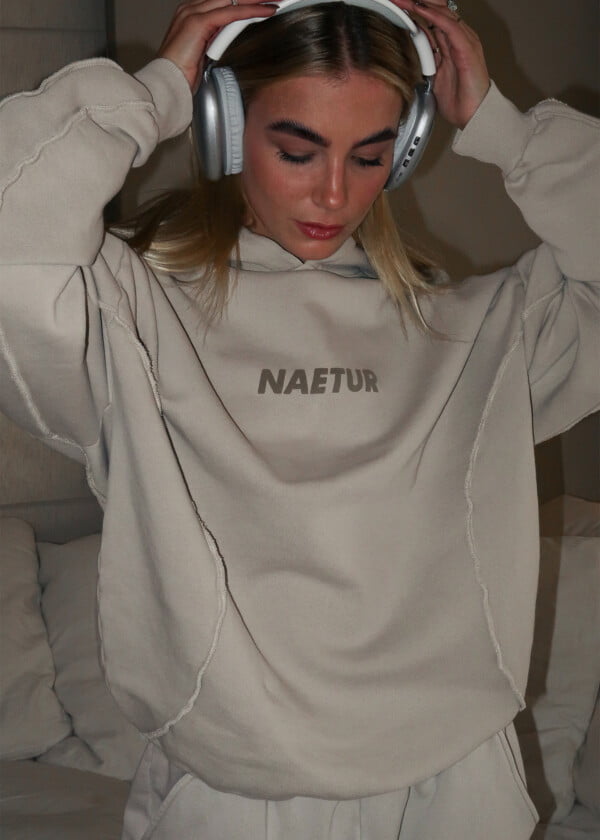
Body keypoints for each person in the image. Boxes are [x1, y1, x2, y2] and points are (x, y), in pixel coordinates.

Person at [0, 0, 598, 837]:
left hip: (455, 786)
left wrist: (504, 127)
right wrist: (161, 89)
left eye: (371, 155)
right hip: (234, 794)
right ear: (226, 127)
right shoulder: (132, 320)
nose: (334, 192)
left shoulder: (473, 334)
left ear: (407, 148)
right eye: (296, 149)